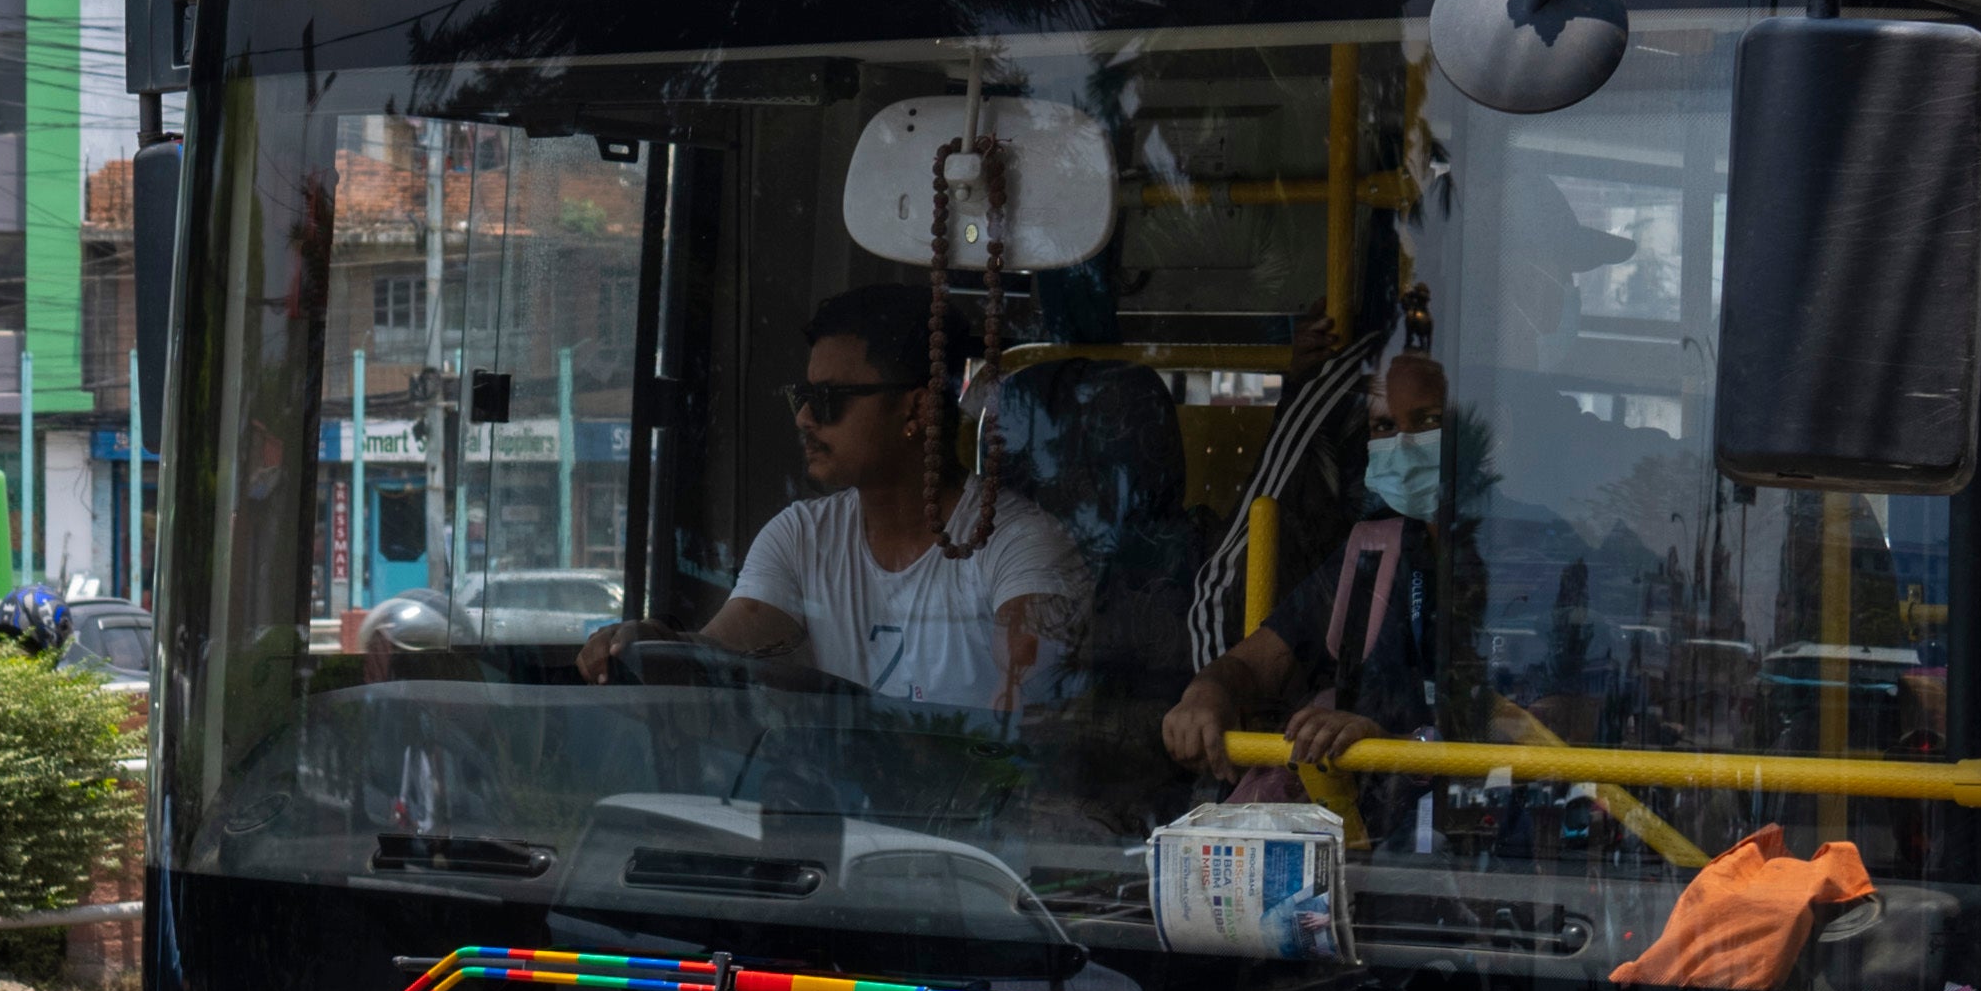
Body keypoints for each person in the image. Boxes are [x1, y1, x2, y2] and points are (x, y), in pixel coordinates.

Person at [605, 280, 1079, 715]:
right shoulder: (802, 536)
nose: (805, 418)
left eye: (830, 398)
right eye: (803, 396)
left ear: (917, 408)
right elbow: (718, 654)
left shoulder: (1020, 546)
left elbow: (1023, 722)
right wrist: (652, 643)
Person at [1163, 349, 1467, 779]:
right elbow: (1253, 665)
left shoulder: (1536, 550)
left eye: (1428, 420)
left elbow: (1548, 723)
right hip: (1371, 833)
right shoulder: (1374, 550)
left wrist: (1393, 747)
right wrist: (1207, 692)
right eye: (1383, 426)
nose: (1402, 444)